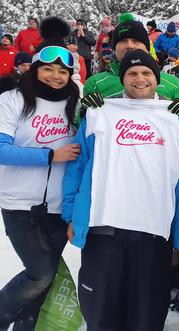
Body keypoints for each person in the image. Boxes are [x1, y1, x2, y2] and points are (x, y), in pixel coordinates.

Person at [63, 49, 179, 330]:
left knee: (147, 313)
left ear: (157, 79)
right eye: (132, 73)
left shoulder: (176, 120)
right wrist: (71, 213)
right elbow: (77, 166)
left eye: (146, 73)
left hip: (154, 231)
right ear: (123, 79)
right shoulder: (99, 114)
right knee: (101, 310)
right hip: (103, 228)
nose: (140, 78)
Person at [0, 21, 80, 330]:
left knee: (46, 279)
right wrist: (50, 155)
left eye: (63, 71)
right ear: (35, 69)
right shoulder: (13, 100)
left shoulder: (76, 100)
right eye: (48, 69)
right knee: (40, 273)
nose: (56, 76)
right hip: (19, 203)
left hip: (59, 205)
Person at [83, 13, 179, 102]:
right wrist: (84, 112)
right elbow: (82, 124)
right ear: (114, 48)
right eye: (123, 41)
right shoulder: (95, 83)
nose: (130, 45)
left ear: (147, 48)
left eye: (136, 41)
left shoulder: (173, 84)